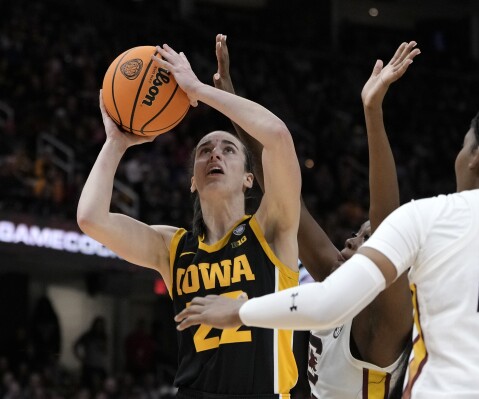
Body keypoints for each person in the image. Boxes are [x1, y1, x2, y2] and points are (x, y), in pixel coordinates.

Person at [174, 100, 479, 398]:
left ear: (476, 156)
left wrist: (238, 310)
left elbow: (378, 226)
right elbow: (288, 200)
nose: (353, 241)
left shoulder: (383, 313)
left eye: (367, 238)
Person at [77, 43, 302, 398]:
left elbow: (276, 135)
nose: (215, 153)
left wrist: (197, 90)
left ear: (249, 178)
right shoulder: (173, 247)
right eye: (204, 150)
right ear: (193, 182)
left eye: (228, 150)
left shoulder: (271, 228)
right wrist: (116, 143)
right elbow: (91, 218)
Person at [211, 34, 418, 398]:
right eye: (357, 232)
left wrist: (372, 112)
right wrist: (231, 104)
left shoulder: (386, 322)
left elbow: (387, 219)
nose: (351, 239)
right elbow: (281, 191)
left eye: (367, 238)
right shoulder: (336, 281)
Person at [73, 316, 108, 391]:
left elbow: (105, 351)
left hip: (99, 365)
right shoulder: (88, 336)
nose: (99, 327)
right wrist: (79, 357)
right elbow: (76, 345)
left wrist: (103, 348)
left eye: (101, 326)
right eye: (98, 325)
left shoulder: (103, 336)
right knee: (87, 386)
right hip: (89, 365)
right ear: (94, 325)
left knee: (101, 386)